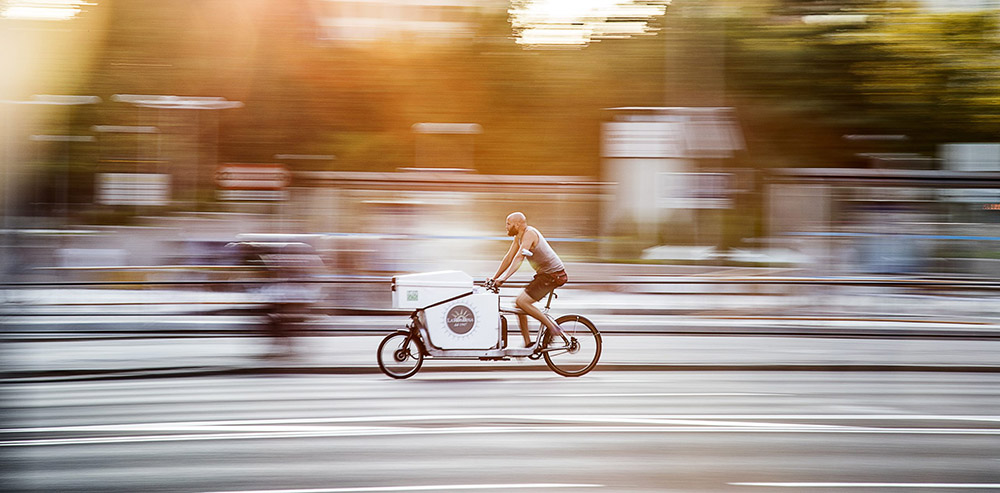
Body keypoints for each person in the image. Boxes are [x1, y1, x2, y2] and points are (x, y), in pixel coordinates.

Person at [488, 212, 569, 348]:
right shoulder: (518, 237)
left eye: (508, 224)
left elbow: (519, 258)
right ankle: (527, 343)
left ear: (518, 224)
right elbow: (509, 258)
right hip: (544, 275)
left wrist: (504, 279)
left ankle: (554, 328)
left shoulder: (529, 234)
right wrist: (495, 277)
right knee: (519, 304)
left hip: (553, 275)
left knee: (521, 301)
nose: (506, 227)